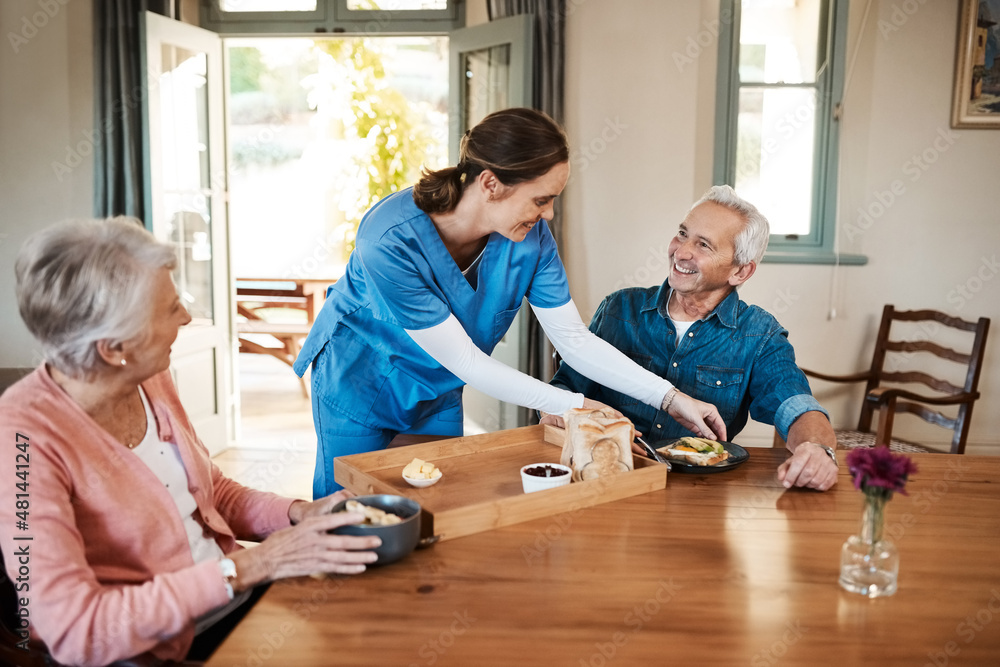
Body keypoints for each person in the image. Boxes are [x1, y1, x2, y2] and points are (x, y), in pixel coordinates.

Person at [0, 218, 382, 666]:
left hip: (230, 604)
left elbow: (209, 491)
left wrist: (297, 513)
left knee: (371, 625)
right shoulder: (22, 439)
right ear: (114, 348)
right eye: (170, 307)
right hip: (152, 650)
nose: (186, 317)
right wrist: (250, 567)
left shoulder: (148, 375)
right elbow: (75, 630)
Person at [293, 107, 727, 498]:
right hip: (358, 382)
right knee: (347, 511)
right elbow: (467, 360)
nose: (550, 214)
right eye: (542, 199)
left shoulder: (530, 239)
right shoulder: (389, 239)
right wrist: (574, 405)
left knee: (437, 506)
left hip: (437, 392)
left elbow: (573, 340)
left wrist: (670, 398)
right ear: (490, 184)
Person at [546, 185, 839, 491]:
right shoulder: (620, 309)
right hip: (608, 478)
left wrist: (818, 450)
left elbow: (796, 405)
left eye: (703, 245)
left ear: (740, 271)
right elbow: (564, 391)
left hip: (698, 491)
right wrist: (576, 423)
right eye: (683, 233)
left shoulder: (759, 334)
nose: (681, 251)